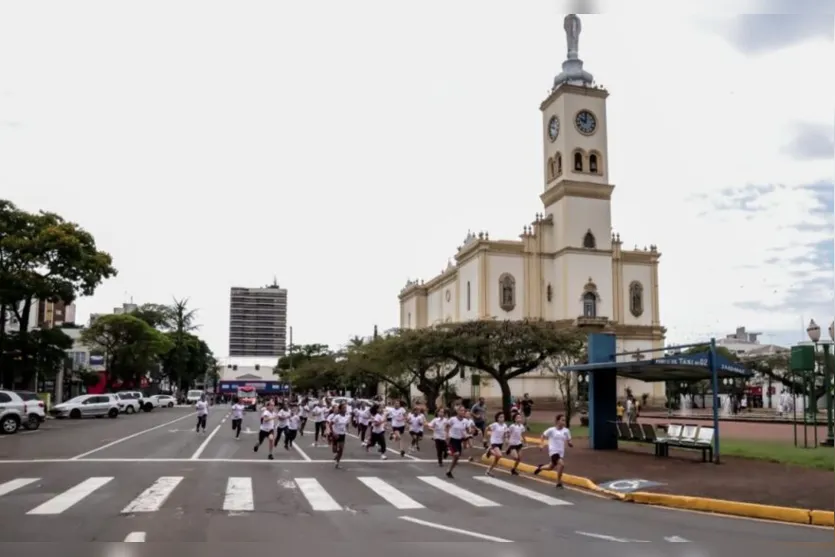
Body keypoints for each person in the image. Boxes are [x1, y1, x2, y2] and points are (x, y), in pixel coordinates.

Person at [534, 414, 573, 488]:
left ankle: (540, 467)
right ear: (558, 421)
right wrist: (541, 444)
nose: (564, 422)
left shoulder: (566, 431)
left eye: (564, 420)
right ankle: (558, 482)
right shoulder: (551, 430)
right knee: (561, 464)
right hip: (553, 451)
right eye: (562, 420)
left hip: (561, 452)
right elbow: (543, 435)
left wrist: (570, 443)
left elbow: (569, 440)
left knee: (550, 467)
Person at [444, 405, 469, 479]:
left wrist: (470, 432)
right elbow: (447, 426)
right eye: (461, 410)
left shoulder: (465, 421)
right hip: (453, 439)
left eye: (463, 410)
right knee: (457, 454)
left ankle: (449, 471)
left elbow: (467, 430)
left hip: (459, 440)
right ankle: (448, 450)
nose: (462, 412)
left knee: (456, 458)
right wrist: (447, 434)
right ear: (457, 411)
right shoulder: (453, 419)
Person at [484, 411, 508, 476]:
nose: (502, 418)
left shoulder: (505, 425)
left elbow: (505, 433)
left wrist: (506, 439)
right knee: (499, 455)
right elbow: (487, 429)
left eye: (503, 417)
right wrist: (485, 438)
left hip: (500, 443)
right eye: (500, 417)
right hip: (494, 442)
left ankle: (488, 471)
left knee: (496, 459)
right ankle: (490, 451)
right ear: (497, 418)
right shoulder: (495, 424)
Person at [330, 403, 351, 468]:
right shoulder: (337, 417)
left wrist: (348, 429)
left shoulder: (347, 416)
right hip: (336, 434)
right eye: (343, 408)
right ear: (340, 409)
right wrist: (333, 433)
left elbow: (347, 424)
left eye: (345, 408)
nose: (345, 409)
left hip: (342, 434)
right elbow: (330, 424)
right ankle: (337, 453)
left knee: (341, 449)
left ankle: (337, 463)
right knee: (334, 450)